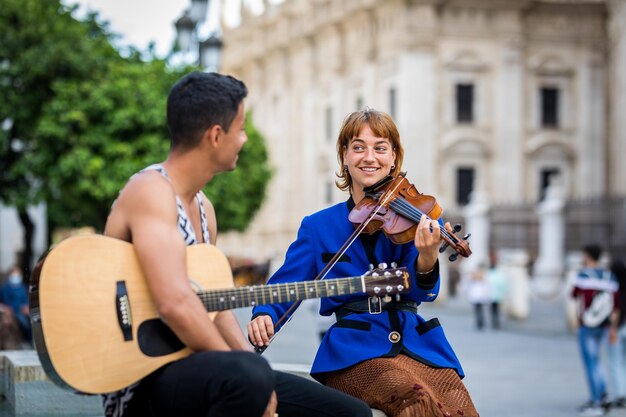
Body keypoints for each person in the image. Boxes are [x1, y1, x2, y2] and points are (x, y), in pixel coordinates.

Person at [103, 71, 371, 417]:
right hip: (143, 378)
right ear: (216, 135)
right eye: (241, 128)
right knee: (250, 378)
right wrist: (253, 377)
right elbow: (175, 304)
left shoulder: (204, 210)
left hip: (201, 370)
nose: (245, 139)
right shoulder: (151, 190)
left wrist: (249, 362)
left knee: (349, 414)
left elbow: (216, 308)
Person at [248, 109, 478, 417]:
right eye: (358, 147)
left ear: (394, 158)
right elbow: (288, 283)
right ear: (344, 156)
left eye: (380, 148)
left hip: (419, 346)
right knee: (415, 400)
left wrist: (426, 257)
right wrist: (265, 312)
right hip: (354, 352)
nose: (369, 157)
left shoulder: (415, 218)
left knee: (460, 408)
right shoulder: (319, 227)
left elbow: (423, 292)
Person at [571, 244, 618, 416]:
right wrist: (613, 328)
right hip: (605, 325)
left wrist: (577, 320)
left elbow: (575, 297)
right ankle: (602, 394)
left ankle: (597, 400)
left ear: (587, 256)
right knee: (597, 360)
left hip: (587, 325)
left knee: (590, 362)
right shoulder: (609, 276)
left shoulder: (582, 275)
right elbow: (615, 305)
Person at [608, 258, 626, 408]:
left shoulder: (615, 289)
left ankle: (620, 395)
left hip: (620, 328)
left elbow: (616, 311)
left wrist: (612, 329)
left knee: (616, 362)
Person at [0, 265, 31, 344]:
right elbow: (6, 302)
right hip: (13, 312)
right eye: (14, 275)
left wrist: (26, 307)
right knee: (22, 323)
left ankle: (29, 341)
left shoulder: (23, 287)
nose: (16, 277)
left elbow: (26, 300)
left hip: (23, 311)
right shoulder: (5, 288)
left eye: (17, 275)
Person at [486, 254, 508, 330]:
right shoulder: (499, 274)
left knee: (492, 310)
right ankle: (496, 322)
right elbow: (503, 285)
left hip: (491, 295)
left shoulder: (488, 274)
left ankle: (494, 322)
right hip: (497, 296)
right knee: (497, 310)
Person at [466, 263, 490, 330]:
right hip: (477, 297)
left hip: (479, 297)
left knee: (479, 310)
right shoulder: (475, 279)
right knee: (478, 310)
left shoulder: (482, 279)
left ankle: (480, 321)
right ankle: (479, 321)